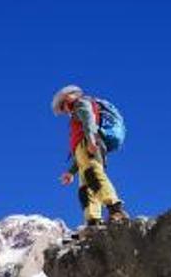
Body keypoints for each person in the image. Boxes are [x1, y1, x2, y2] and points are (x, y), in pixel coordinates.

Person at [51, 85, 128, 228]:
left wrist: (92, 140)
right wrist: (71, 171)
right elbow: (79, 152)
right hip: (83, 150)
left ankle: (116, 210)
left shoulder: (81, 103)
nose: (64, 111)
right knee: (85, 190)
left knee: (94, 175)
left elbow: (89, 120)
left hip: (89, 144)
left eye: (62, 106)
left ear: (68, 97)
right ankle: (93, 222)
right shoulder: (76, 112)